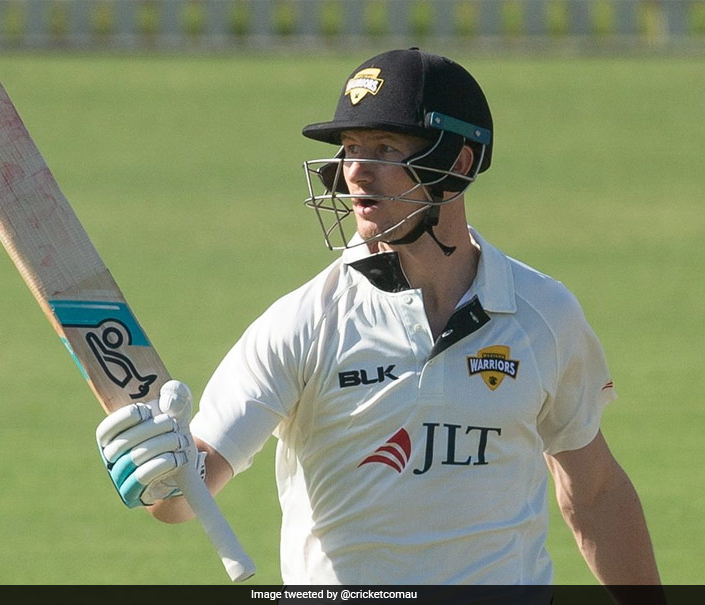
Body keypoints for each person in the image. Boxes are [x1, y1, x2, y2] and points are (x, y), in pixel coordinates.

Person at [95, 49, 661, 586]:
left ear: (456, 163)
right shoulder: (304, 323)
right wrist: (156, 471)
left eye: (386, 147)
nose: (356, 172)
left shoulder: (543, 316)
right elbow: (182, 496)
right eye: (350, 148)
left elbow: (595, 493)